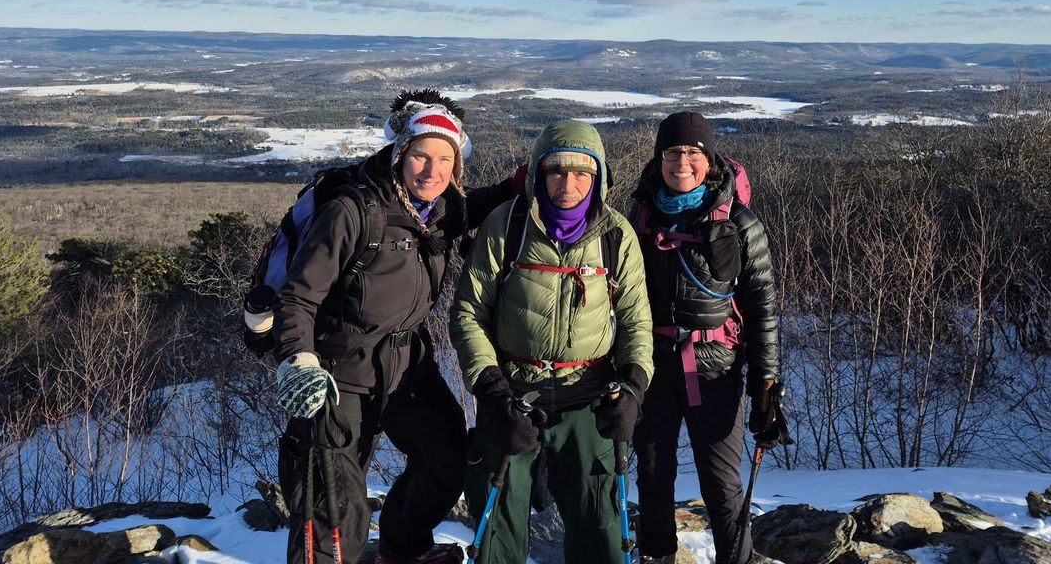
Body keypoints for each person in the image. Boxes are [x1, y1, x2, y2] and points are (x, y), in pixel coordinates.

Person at [273, 90, 511, 564]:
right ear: (400, 153)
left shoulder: (442, 210)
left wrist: (531, 179)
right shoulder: (354, 210)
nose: (432, 170)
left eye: (445, 159)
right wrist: (299, 359)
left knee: (446, 459)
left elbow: (477, 204)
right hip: (339, 374)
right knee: (335, 508)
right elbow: (298, 295)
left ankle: (403, 549)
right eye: (421, 156)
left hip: (407, 368)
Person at [450, 119, 653, 564]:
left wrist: (633, 388)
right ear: (538, 173)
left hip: (590, 398)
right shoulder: (506, 227)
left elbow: (637, 322)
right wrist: (492, 390)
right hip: (512, 396)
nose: (568, 182)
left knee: (600, 530)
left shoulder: (617, 236)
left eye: (583, 172)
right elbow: (469, 312)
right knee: (497, 531)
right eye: (556, 170)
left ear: (599, 178)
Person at [629, 112, 782, 564]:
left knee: (721, 480)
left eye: (693, 153)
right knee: (654, 473)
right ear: (659, 159)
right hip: (653, 364)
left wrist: (767, 382)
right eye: (673, 152)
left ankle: (737, 559)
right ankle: (657, 556)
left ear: (709, 159)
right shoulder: (639, 214)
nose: (682, 161)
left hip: (715, 365)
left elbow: (763, 305)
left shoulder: (740, 221)